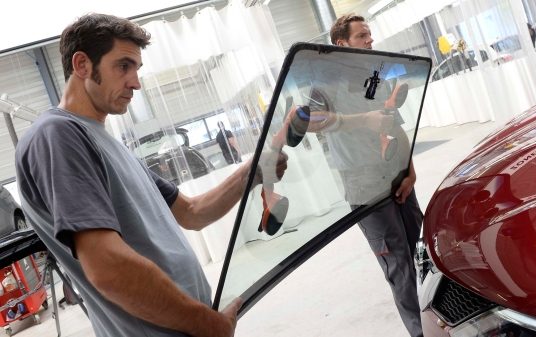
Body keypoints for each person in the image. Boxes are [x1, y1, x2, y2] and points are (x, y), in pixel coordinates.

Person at [15, 13, 286, 337]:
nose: (135, 82)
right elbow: (108, 268)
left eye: (137, 69)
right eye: (123, 66)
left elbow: (191, 212)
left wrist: (253, 170)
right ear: (82, 65)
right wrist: (207, 323)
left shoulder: (105, 142)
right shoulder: (58, 135)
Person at [326, 14, 424, 337]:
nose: (370, 40)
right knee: (401, 268)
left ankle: (444, 322)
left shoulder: (375, 78)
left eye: (370, 35)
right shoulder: (325, 83)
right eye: (362, 36)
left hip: (397, 178)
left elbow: (394, 124)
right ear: (342, 43)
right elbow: (310, 120)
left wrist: (410, 172)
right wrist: (362, 120)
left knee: (424, 254)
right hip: (366, 189)